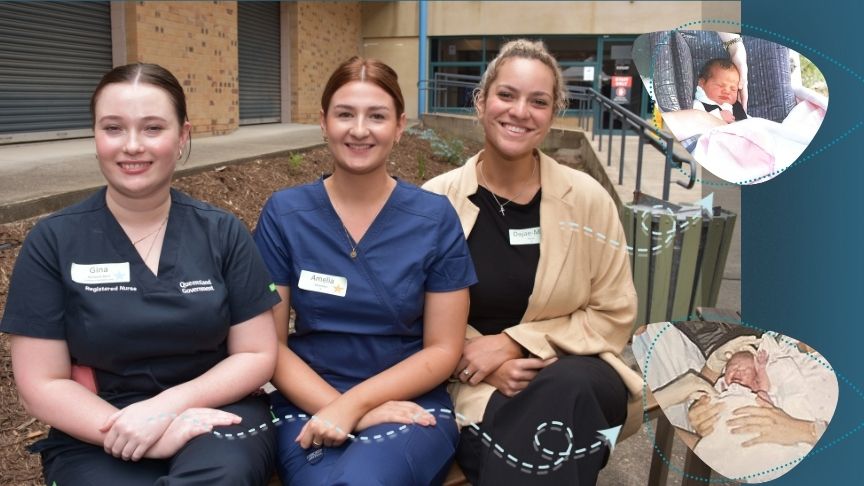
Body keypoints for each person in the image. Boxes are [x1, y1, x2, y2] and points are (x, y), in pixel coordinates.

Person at [0, 63, 280, 485]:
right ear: (94, 135)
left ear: (182, 136)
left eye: (152, 128)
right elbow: (41, 381)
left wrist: (167, 406)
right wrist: (137, 433)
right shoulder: (53, 241)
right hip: (95, 424)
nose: (132, 146)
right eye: (113, 128)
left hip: (217, 412)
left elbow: (256, 354)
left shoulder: (221, 232)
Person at [423, 39, 642, 486]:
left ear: (553, 113)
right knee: (550, 442)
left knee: (569, 387)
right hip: (476, 384)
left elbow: (613, 313)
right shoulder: (434, 201)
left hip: (578, 371)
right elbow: (409, 309)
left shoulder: (588, 201)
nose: (520, 111)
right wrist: (476, 359)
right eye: (507, 95)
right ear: (481, 102)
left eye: (538, 101)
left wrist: (516, 344)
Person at [253, 56, 476, 485]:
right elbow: (270, 344)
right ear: (323, 122)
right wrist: (345, 407)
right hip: (306, 397)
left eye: (377, 116)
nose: (359, 130)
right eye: (344, 114)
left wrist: (354, 406)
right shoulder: (286, 215)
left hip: (409, 403)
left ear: (400, 125)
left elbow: (443, 349)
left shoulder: (433, 218)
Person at [692, 58, 749, 123]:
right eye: (720, 86)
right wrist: (717, 116)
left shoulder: (737, 108)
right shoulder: (698, 105)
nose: (727, 91)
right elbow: (695, 122)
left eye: (733, 89)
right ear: (701, 83)